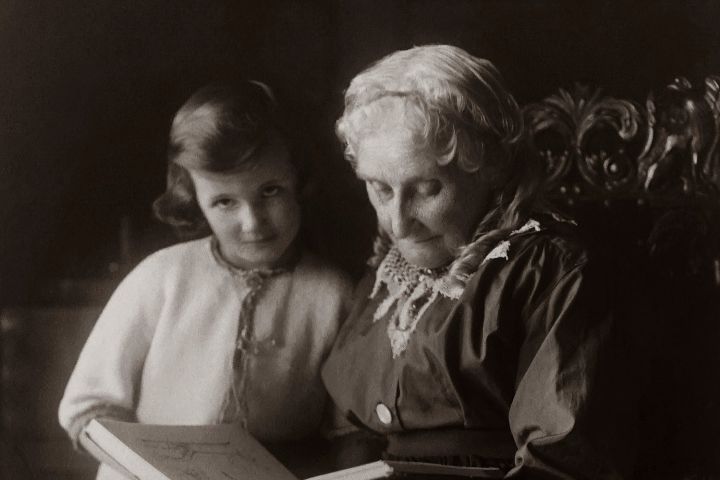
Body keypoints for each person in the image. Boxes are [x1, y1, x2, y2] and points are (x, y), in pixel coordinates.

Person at [322, 45, 636, 479]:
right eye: (380, 188)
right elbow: (353, 431)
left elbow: (560, 460)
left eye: (427, 188)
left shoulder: (546, 268)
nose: (399, 222)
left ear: (488, 168)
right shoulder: (391, 276)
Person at [59, 81, 353, 480]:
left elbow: (347, 431)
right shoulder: (161, 277)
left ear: (298, 179)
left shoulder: (335, 295)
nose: (253, 223)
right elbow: (87, 409)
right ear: (192, 197)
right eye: (224, 202)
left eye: (270, 191)